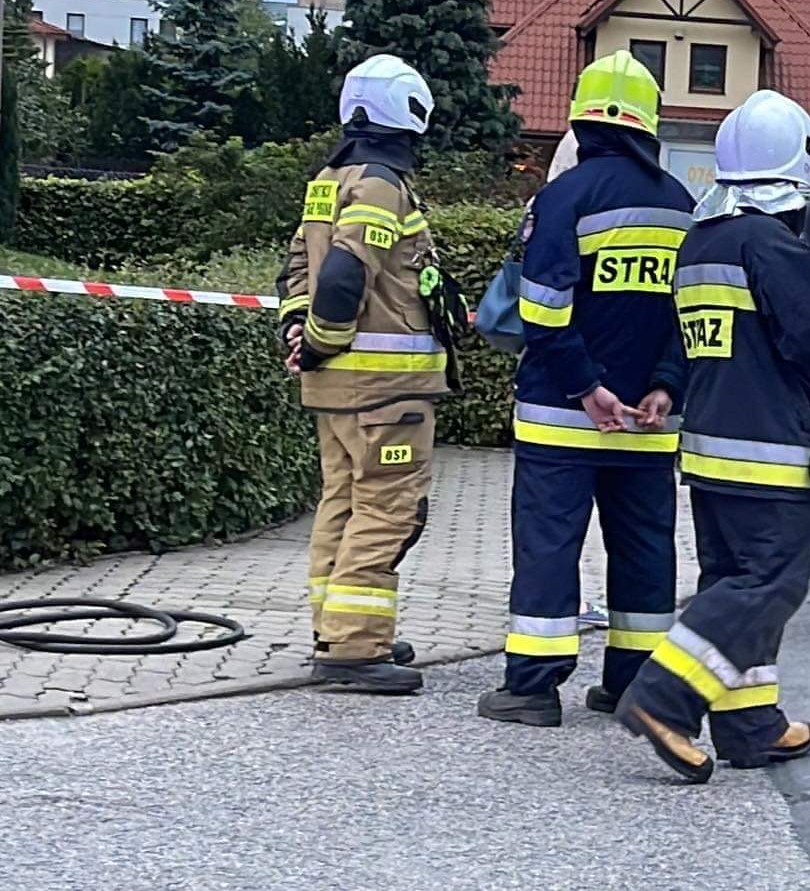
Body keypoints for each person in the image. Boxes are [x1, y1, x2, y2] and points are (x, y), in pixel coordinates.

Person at [616, 90, 810, 783]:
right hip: (769, 447)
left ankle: (750, 725)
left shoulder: (702, 241)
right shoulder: (771, 243)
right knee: (772, 580)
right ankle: (664, 697)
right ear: (797, 168)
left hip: (712, 446)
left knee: (732, 579)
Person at [477, 50, 692, 727]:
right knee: (646, 552)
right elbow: (689, 315)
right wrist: (665, 386)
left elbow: (541, 309)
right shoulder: (681, 204)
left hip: (561, 414)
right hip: (649, 422)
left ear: (581, 121)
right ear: (649, 122)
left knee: (549, 545)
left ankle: (533, 688)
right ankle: (634, 686)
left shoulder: (562, 198)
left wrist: (586, 388)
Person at [275, 53, 447, 694]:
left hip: (338, 389)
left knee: (342, 505)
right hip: (385, 393)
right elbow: (347, 271)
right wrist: (320, 341)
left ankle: (338, 629)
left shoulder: (329, 178)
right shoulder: (379, 185)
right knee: (387, 510)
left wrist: (300, 334)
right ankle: (354, 648)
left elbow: (299, 266)